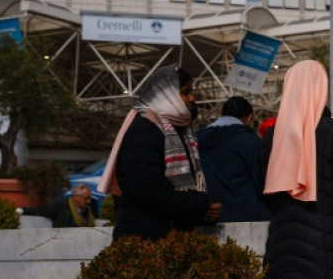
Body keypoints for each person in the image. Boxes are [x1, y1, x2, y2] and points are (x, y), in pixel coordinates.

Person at [256, 60, 333, 279]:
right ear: (321, 88)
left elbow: (263, 192)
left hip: (281, 247)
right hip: (329, 249)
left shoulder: (272, 137)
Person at [97, 64, 221, 240]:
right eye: (186, 92)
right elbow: (148, 189)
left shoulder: (179, 132)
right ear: (166, 94)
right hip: (144, 241)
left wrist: (201, 212)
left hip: (167, 238)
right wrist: (198, 206)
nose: (192, 98)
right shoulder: (144, 131)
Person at [196, 96, 271, 222]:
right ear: (249, 118)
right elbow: (263, 182)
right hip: (249, 219)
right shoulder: (251, 142)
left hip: (209, 218)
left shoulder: (196, 140)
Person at [20, 184, 99, 228]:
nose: (89, 201)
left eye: (90, 198)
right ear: (76, 197)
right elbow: (41, 210)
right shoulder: (62, 206)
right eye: (86, 198)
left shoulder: (89, 211)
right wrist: (22, 210)